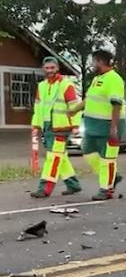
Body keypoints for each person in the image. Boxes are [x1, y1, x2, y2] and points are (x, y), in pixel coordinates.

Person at [67, 50, 125, 200]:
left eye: (93, 61)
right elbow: (90, 99)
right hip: (92, 125)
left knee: (108, 159)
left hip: (108, 125)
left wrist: (113, 128)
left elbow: (116, 105)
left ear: (100, 61)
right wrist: (74, 109)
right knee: (87, 151)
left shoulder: (114, 79)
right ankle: (113, 177)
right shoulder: (97, 79)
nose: (92, 65)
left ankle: (106, 190)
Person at [29, 57, 82, 198]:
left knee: (53, 158)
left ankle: (44, 188)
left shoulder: (66, 85)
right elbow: (38, 108)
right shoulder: (41, 86)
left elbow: (74, 106)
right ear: (43, 68)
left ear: (57, 68)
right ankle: (73, 184)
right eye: (47, 68)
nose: (50, 70)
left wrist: (75, 125)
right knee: (60, 156)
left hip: (61, 127)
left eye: (52, 68)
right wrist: (35, 125)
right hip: (47, 127)